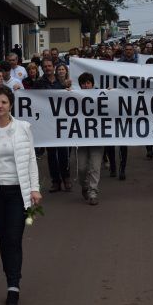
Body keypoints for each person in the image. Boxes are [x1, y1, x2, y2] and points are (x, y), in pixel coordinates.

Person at [0, 86, 42, 305]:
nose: (0, 106)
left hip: (18, 192)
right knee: (4, 239)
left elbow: (31, 159)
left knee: (14, 238)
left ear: (11, 105)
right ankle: (11, 277)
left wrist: (34, 188)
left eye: (4, 102)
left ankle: (13, 287)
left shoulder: (23, 128)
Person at [34, 58, 71, 192]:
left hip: (61, 121)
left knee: (63, 152)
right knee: (51, 154)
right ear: (42, 68)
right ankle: (55, 181)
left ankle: (66, 178)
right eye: (45, 66)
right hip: (46, 122)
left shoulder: (61, 82)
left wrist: (69, 89)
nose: (48, 68)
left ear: (53, 67)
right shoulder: (38, 83)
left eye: (50, 66)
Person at [76, 73, 103, 205]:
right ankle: (85, 185)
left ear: (92, 84)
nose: (86, 86)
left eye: (88, 83)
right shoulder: (75, 95)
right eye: (83, 83)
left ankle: (93, 192)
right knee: (81, 168)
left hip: (97, 138)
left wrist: (111, 93)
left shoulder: (101, 94)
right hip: (81, 139)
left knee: (95, 167)